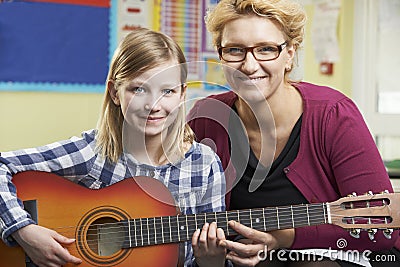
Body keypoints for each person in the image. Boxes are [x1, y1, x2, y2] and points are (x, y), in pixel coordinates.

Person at [187, 0, 400, 266]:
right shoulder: (205, 117)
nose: (249, 65)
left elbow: (381, 229)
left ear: (290, 54)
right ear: (221, 56)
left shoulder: (334, 115)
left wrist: (285, 237)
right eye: (234, 50)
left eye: (266, 49)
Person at [0, 28, 227, 267]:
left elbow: (202, 258)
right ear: (115, 93)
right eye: (138, 89)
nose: (153, 105)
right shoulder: (94, 153)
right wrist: (23, 230)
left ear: (182, 94)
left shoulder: (204, 164)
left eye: (167, 91)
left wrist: (211, 261)